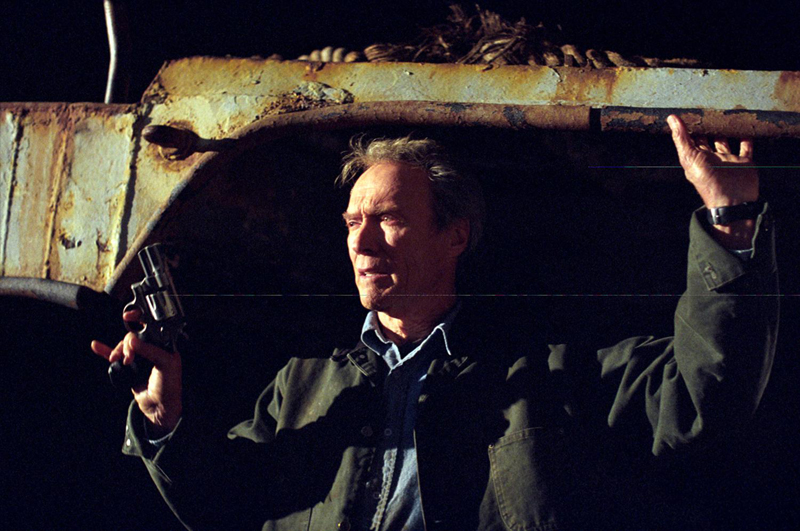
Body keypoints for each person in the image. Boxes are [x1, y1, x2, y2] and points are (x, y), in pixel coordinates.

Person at [91, 115, 778, 531]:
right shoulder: (303, 385)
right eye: (352, 223)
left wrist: (729, 220)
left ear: (455, 235)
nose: (362, 243)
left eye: (389, 219)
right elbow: (223, 505)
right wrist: (165, 420)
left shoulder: (554, 372)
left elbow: (702, 397)